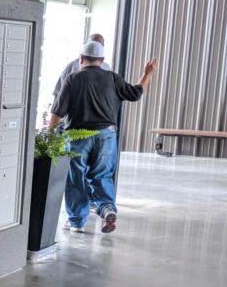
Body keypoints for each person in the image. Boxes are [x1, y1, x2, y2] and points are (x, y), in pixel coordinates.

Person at [49, 41, 159, 234]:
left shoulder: (73, 79)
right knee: (102, 176)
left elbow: (57, 111)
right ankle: (107, 209)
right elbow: (135, 93)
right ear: (102, 61)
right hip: (107, 136)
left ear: (81, 59)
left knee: (76, 179)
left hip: (78, 137)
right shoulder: (112, 78)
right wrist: (147, 73)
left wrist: (50, 136)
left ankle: (77, 222)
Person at [51, 33, 110, 109]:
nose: (95, 48)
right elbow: (59, 93)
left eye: (99, 45)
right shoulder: (73, 67)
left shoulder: (106, 68)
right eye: (92, 44)